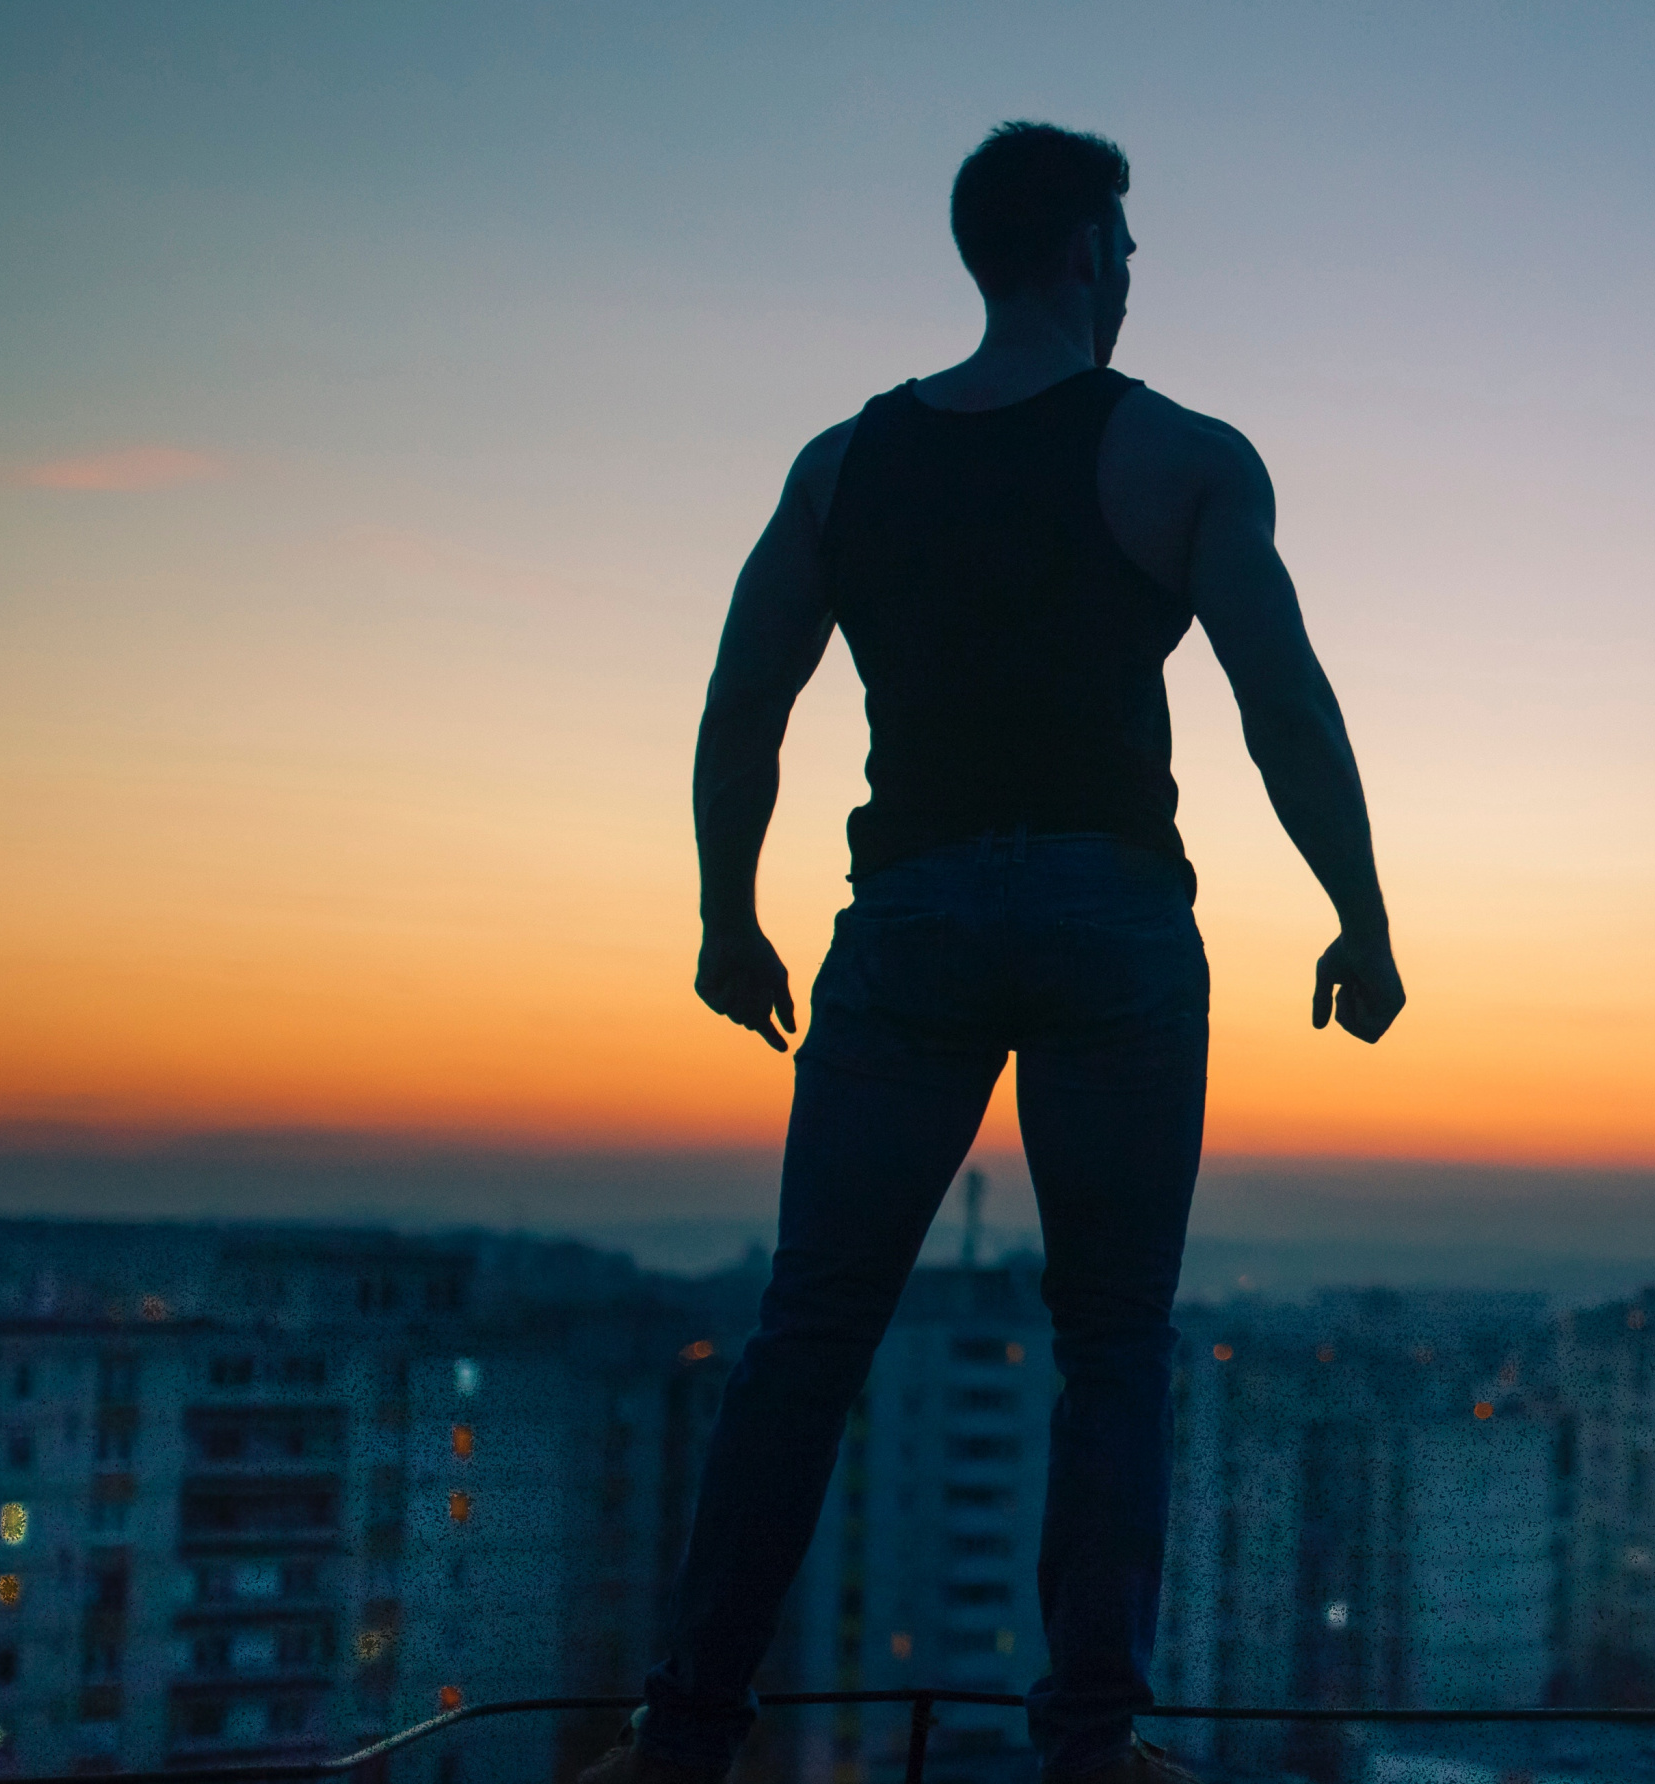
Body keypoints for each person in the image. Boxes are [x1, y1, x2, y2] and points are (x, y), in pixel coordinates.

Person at [586, 122, 1404, 1784]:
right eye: (1128, 248)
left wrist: (728, 916)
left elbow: (745, 707)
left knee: (810, 1335)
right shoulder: (1179, 456)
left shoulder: (842, 467)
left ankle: (682, 1738)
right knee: (1114, 1342)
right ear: (1090, 252)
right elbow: (1285, 708)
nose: (1132, 275)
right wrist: (1361, 915)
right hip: (1113, 923)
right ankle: (1092, 1746)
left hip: (911, 919)